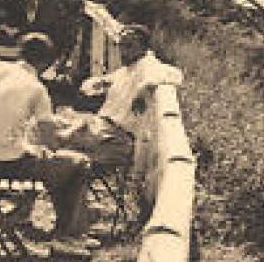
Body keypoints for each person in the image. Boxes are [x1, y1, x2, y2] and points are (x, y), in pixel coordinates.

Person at [0, 33, 96, 254]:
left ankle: (22, 216)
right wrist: (73, 129)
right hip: (6, 167)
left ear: (20, 53)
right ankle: (69, 235)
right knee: (77, 163)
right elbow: (51, 143)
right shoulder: (37, 89)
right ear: (47, 63)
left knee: (38, 156)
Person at [51, 25, 183, 170]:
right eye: (120, 45)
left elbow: (175, 75)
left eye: (129, 46)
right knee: (50, 123)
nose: (123, 51)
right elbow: (91, 86)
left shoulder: (148, 65)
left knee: (54, 137)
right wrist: (101, 82)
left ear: (144, 47)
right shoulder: (127, 69)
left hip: (117, 139)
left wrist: (143, 89)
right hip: (101, 129)